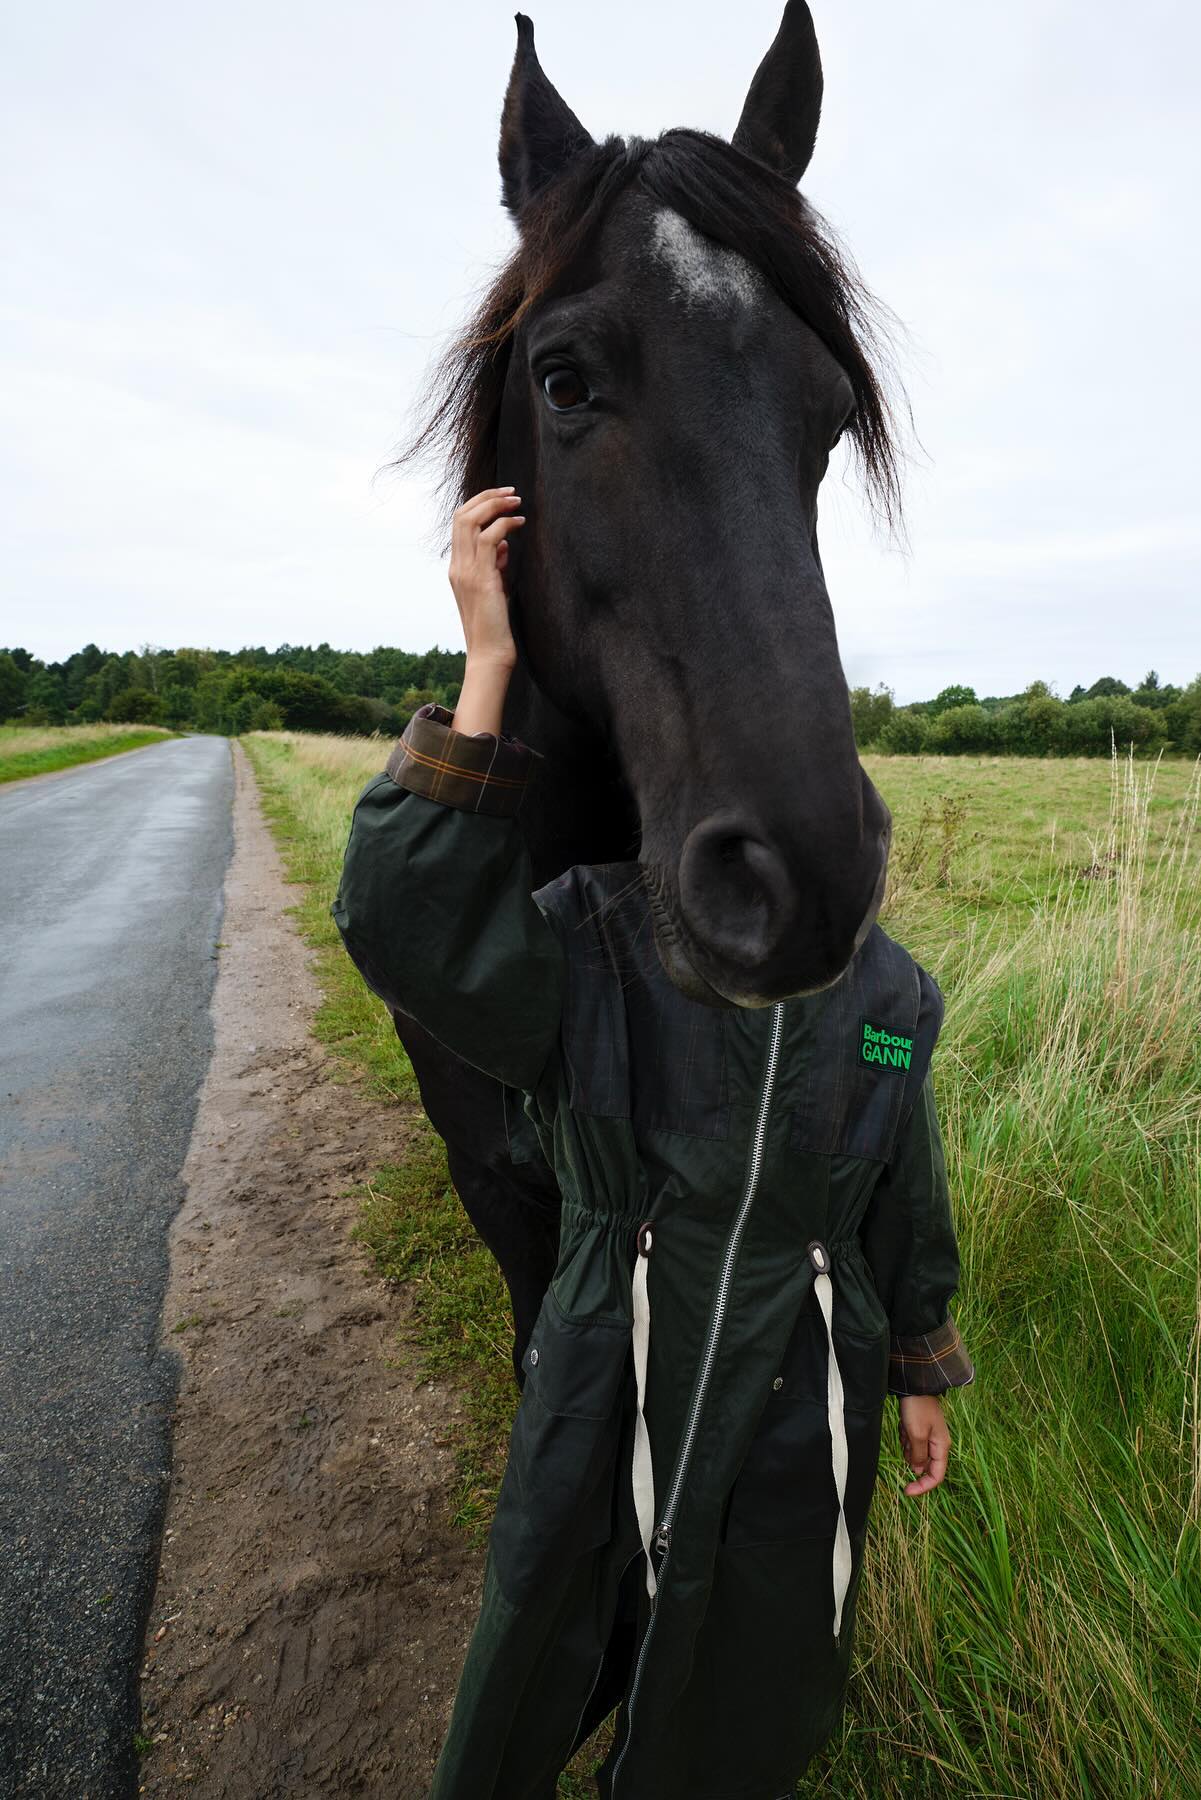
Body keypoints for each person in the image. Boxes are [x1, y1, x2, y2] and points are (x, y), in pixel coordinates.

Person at [331, 490, 974, 1799]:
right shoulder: (595, 942)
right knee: (554, 1618)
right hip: (606, 1349)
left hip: (811, 1381)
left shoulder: (893, 1000)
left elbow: (904, 1183)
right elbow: (403, 927)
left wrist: (914, 1360)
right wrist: (489, 660)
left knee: (764, 1653)